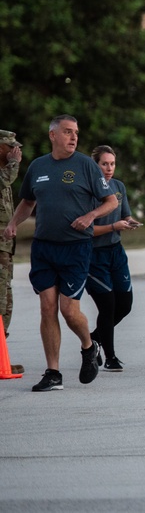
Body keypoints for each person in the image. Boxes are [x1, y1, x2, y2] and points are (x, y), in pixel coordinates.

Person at [2, 115, 117, 391]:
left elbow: (111, 201)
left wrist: (90, 216)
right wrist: (13, 223)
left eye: (76, 132)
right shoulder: (38, 166)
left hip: (75, 248)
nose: (73, 137)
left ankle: (89, 346)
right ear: (53, 135)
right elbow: (28, 201)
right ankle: (53, 373)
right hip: (44, 247)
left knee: (68, 309)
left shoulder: (87, 166)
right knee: (47, 306)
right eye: (67, 132)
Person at [85, 145, 142, 372]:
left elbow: (125, 214)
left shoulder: (118, 187)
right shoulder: (88, 190)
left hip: (116, 253)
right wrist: (112, 226)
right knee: (107, 306)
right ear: (95, 165)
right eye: (104, 164)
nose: (109, 168)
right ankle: (110, 357)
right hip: (93, 256)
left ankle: (93, 338)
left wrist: (130, 221)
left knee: (125, 305)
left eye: (112, 164)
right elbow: (87, 229)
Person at [0, 129, 24, 375]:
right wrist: (14, 164)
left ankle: (1, 356)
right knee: (0, 302)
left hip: (5, 248)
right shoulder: (5, 172)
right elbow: (4, 180)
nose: (16, 152)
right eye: (11, 147)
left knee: (6, 302)